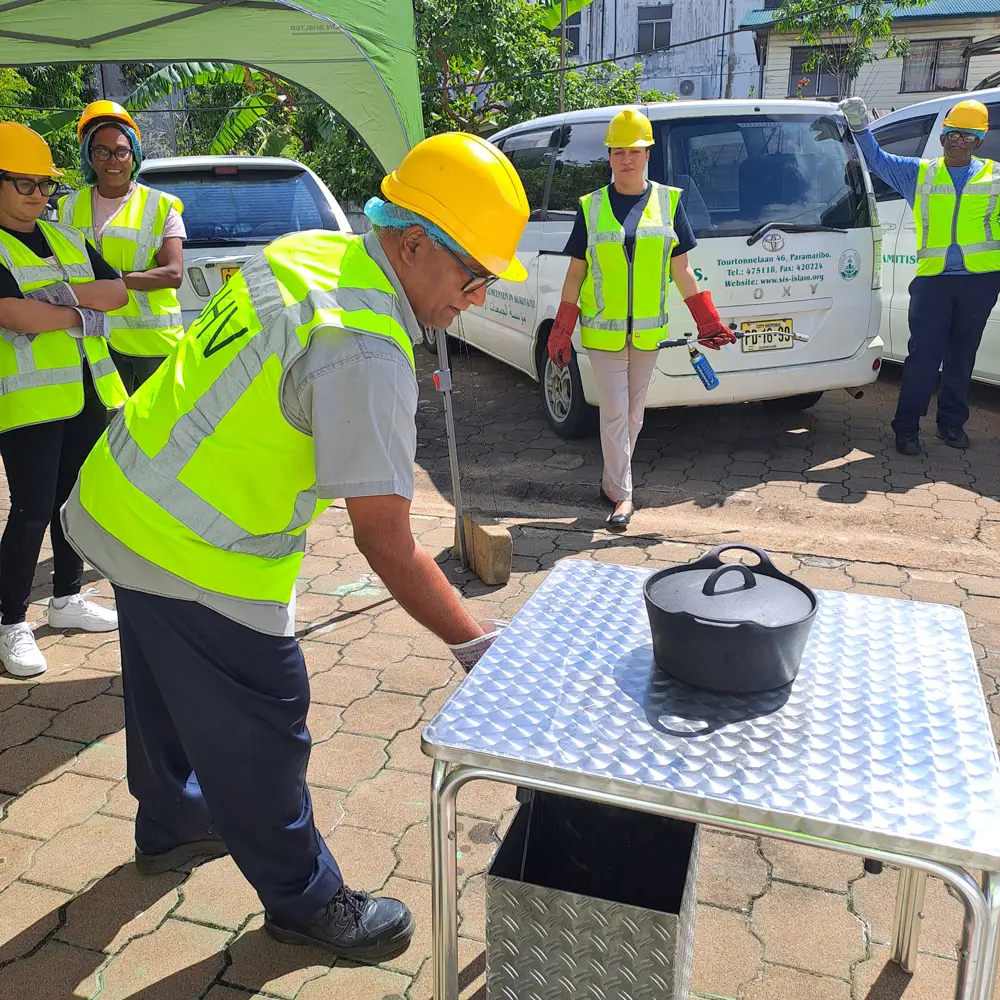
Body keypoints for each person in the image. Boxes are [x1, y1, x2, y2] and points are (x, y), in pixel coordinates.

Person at [60, 132, 529, 961]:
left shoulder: (312, 251)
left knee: (163, 681)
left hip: (124, 494)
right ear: (414, 243)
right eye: (474, 275)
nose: (479, 297)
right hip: (193, 546)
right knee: (266, 720)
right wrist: (475, 644)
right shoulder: (364, 345)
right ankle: (305, 901)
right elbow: (386, 542)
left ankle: (171, 819)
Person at [547, 109, 735, 529]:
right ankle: (624, 498)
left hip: (648, 333)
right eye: (618, 152)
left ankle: (611, 484)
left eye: (634, 151)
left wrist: (706, 319)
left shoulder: (669, 202)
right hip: (602, 333)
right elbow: (576, 273)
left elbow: (681, 270)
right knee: (614, 412)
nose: (626, 159)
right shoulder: (591, 207)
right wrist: (562, 327)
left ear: (647, 154)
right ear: (609, 156)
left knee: (633, 415)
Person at [0, 123, 128, 678]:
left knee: (73, 503)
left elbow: (119, 291)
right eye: (22, 183)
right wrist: (79, 311)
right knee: (30, 512)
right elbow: (13, 314)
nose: (36, 194)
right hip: (27, 405)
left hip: (85, 393)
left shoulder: (66, 239)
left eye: (43, 184)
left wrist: (54, 302)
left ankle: (67, 598)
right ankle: (10, 624)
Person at [840, 96, 1000, 455]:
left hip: (981, 281)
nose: (957, 140)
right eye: (951, 134)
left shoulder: (995, 177)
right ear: (942, 138)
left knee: (962, 356)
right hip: (934, 282)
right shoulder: (921, 173)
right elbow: (878, 161)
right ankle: (906, 427)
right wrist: (861, 127)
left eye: (966, 135)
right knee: (923, 356)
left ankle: (951, 424)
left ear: (979, 141)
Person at [59, 101, 185, 395]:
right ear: (89, 156)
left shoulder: (160, 206)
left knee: (160, 427)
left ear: (134, 155)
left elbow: (174, 273)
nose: (112, 160)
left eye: (121, 151)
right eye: (101, 151)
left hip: (153, 345)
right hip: (95, 338)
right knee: (107, 429)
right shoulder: (68, 207)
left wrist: (114, 280)